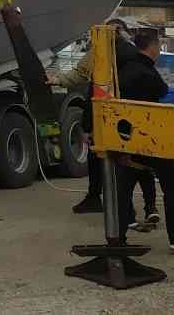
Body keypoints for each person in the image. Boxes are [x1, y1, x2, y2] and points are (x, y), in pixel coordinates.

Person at [55, 16, 157, 225]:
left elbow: (84, 80)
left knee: (113, 164)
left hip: (109, 116)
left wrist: (87, 125)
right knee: (137, 163)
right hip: (130, 115)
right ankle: (147, 208)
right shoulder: (133, 55)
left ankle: (124, 211)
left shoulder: (101, 54)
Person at [117, 27, 174, 253]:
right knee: (172, 183)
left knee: (124, 185)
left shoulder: (123, 68)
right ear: (153, 47)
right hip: (148, 136)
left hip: (125, 135)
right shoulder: (146, 72)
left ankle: (117, 236)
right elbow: (162, 91)